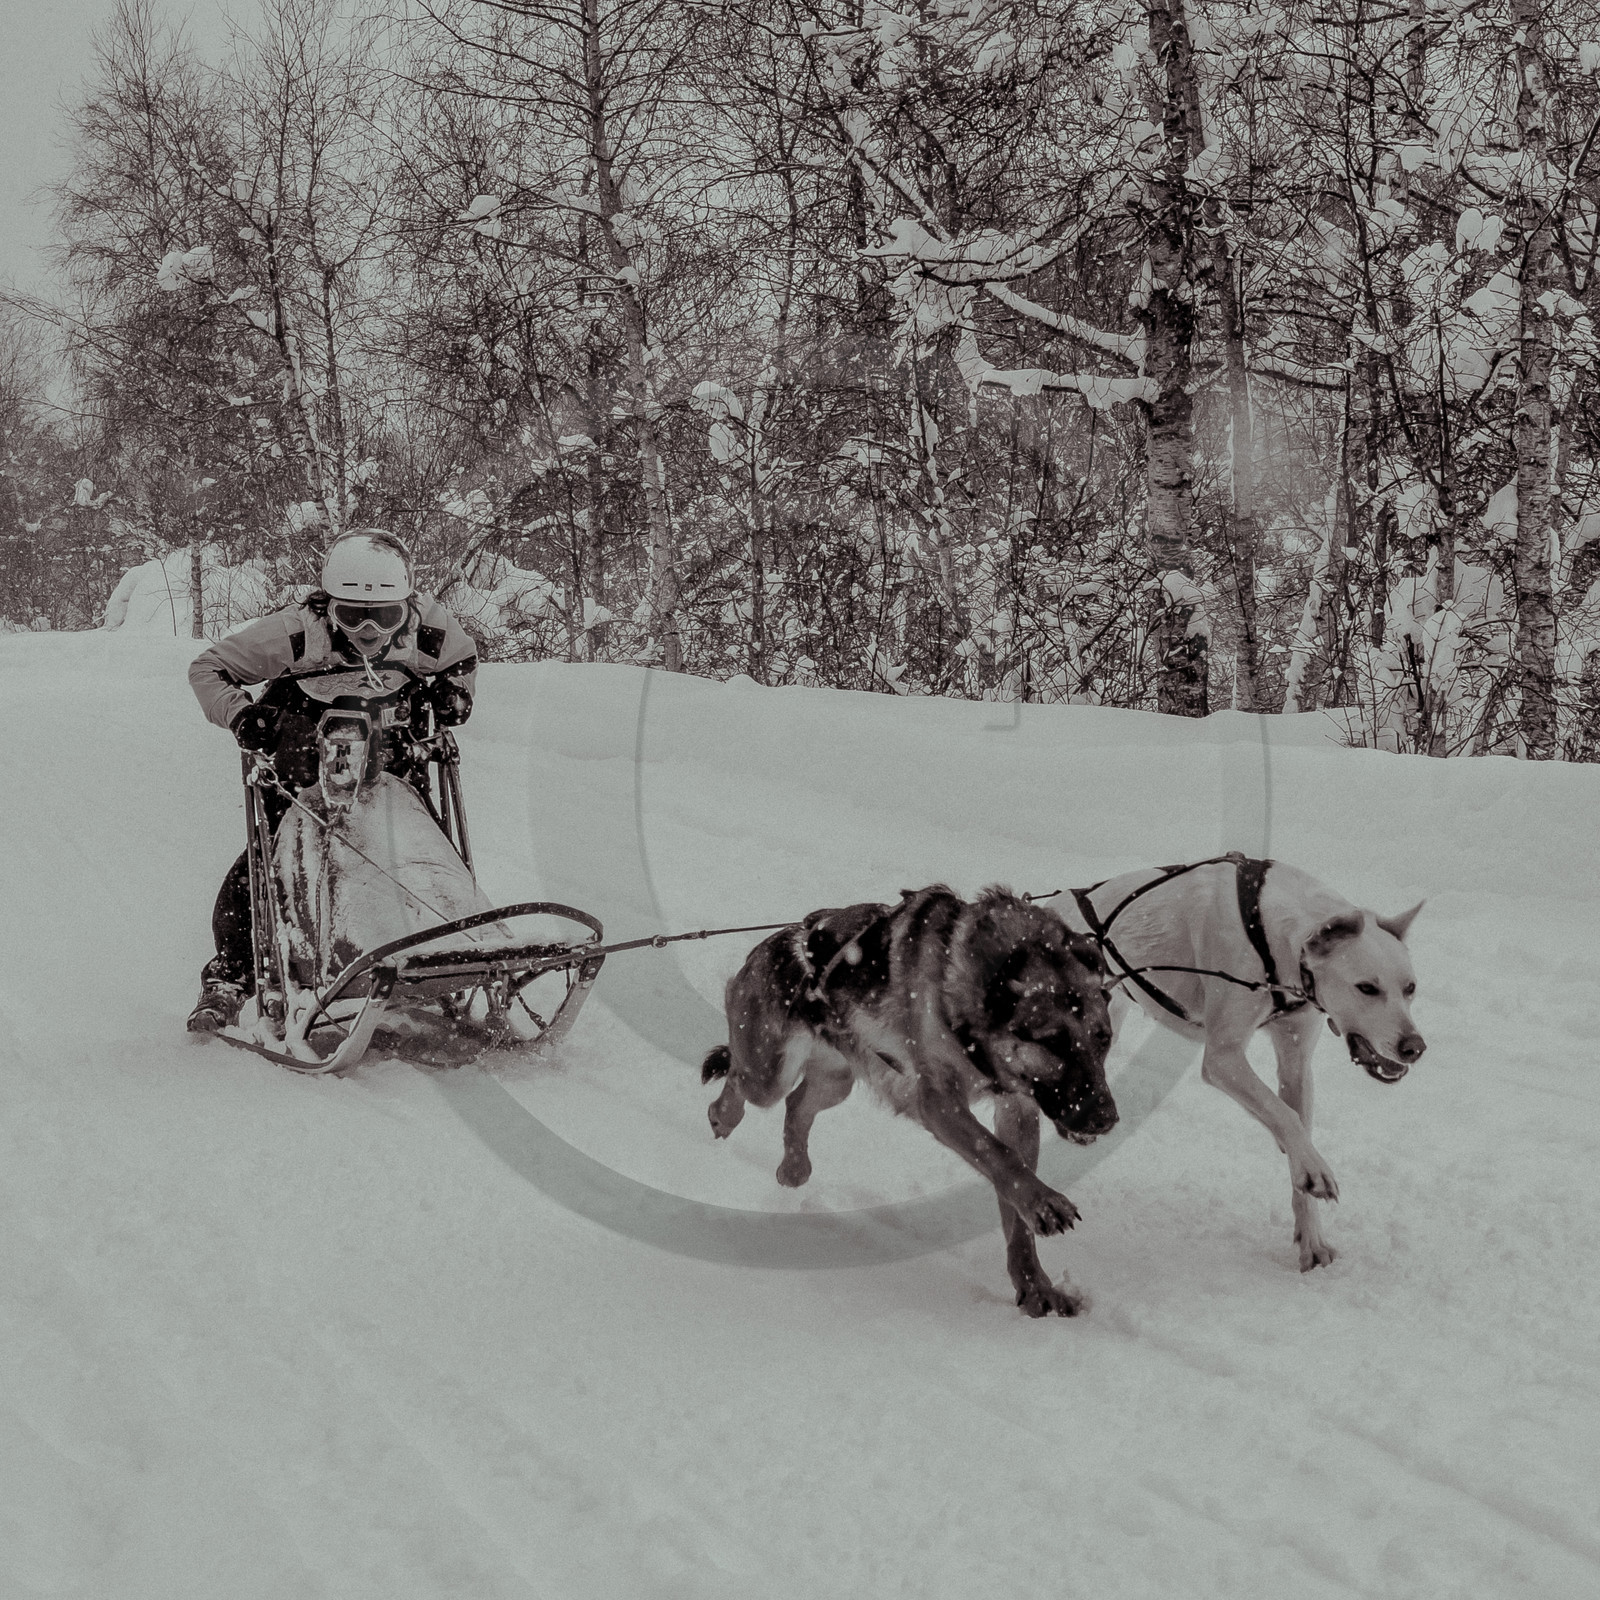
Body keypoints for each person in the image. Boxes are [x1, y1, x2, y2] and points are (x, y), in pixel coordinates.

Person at [186, 529, 477, 1032]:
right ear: (328, 605)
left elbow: (462, 660)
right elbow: (209, 668)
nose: (369, 630)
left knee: (418, 849)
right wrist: (241, 715)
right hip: (301, 752)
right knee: (275, 857)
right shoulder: (295, 632)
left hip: (393, 752)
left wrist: (454, 693)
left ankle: (443, 943)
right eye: (352, 614)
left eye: (385, 616)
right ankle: (230, 976)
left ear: (407, 606)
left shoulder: (429, 627)